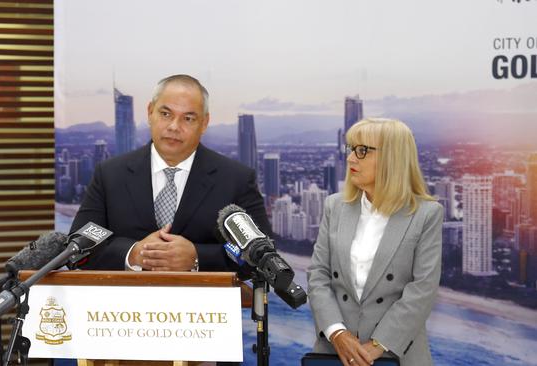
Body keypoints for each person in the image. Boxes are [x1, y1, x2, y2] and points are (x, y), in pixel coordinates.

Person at [70, 74, 272, 273]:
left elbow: (262, 256)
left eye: (188, 118)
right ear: (150, 112)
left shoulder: (236, 179)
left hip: (203, 305)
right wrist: (133, 254)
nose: (174, 126)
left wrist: (197, 258)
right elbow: (77, 250)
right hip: (123, 305)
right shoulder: (110, 174)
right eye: (165, 114)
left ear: (204, 123)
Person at [307, 118, 443, 366]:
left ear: (393, 157)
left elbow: (423, 289)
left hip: (398, 354)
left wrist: (377, 346)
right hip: (334, 354)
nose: (350, 159)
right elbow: (318, 275)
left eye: (362, 151)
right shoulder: (334, 206)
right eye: (351, 149)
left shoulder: (427, 214)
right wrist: (337, 333)